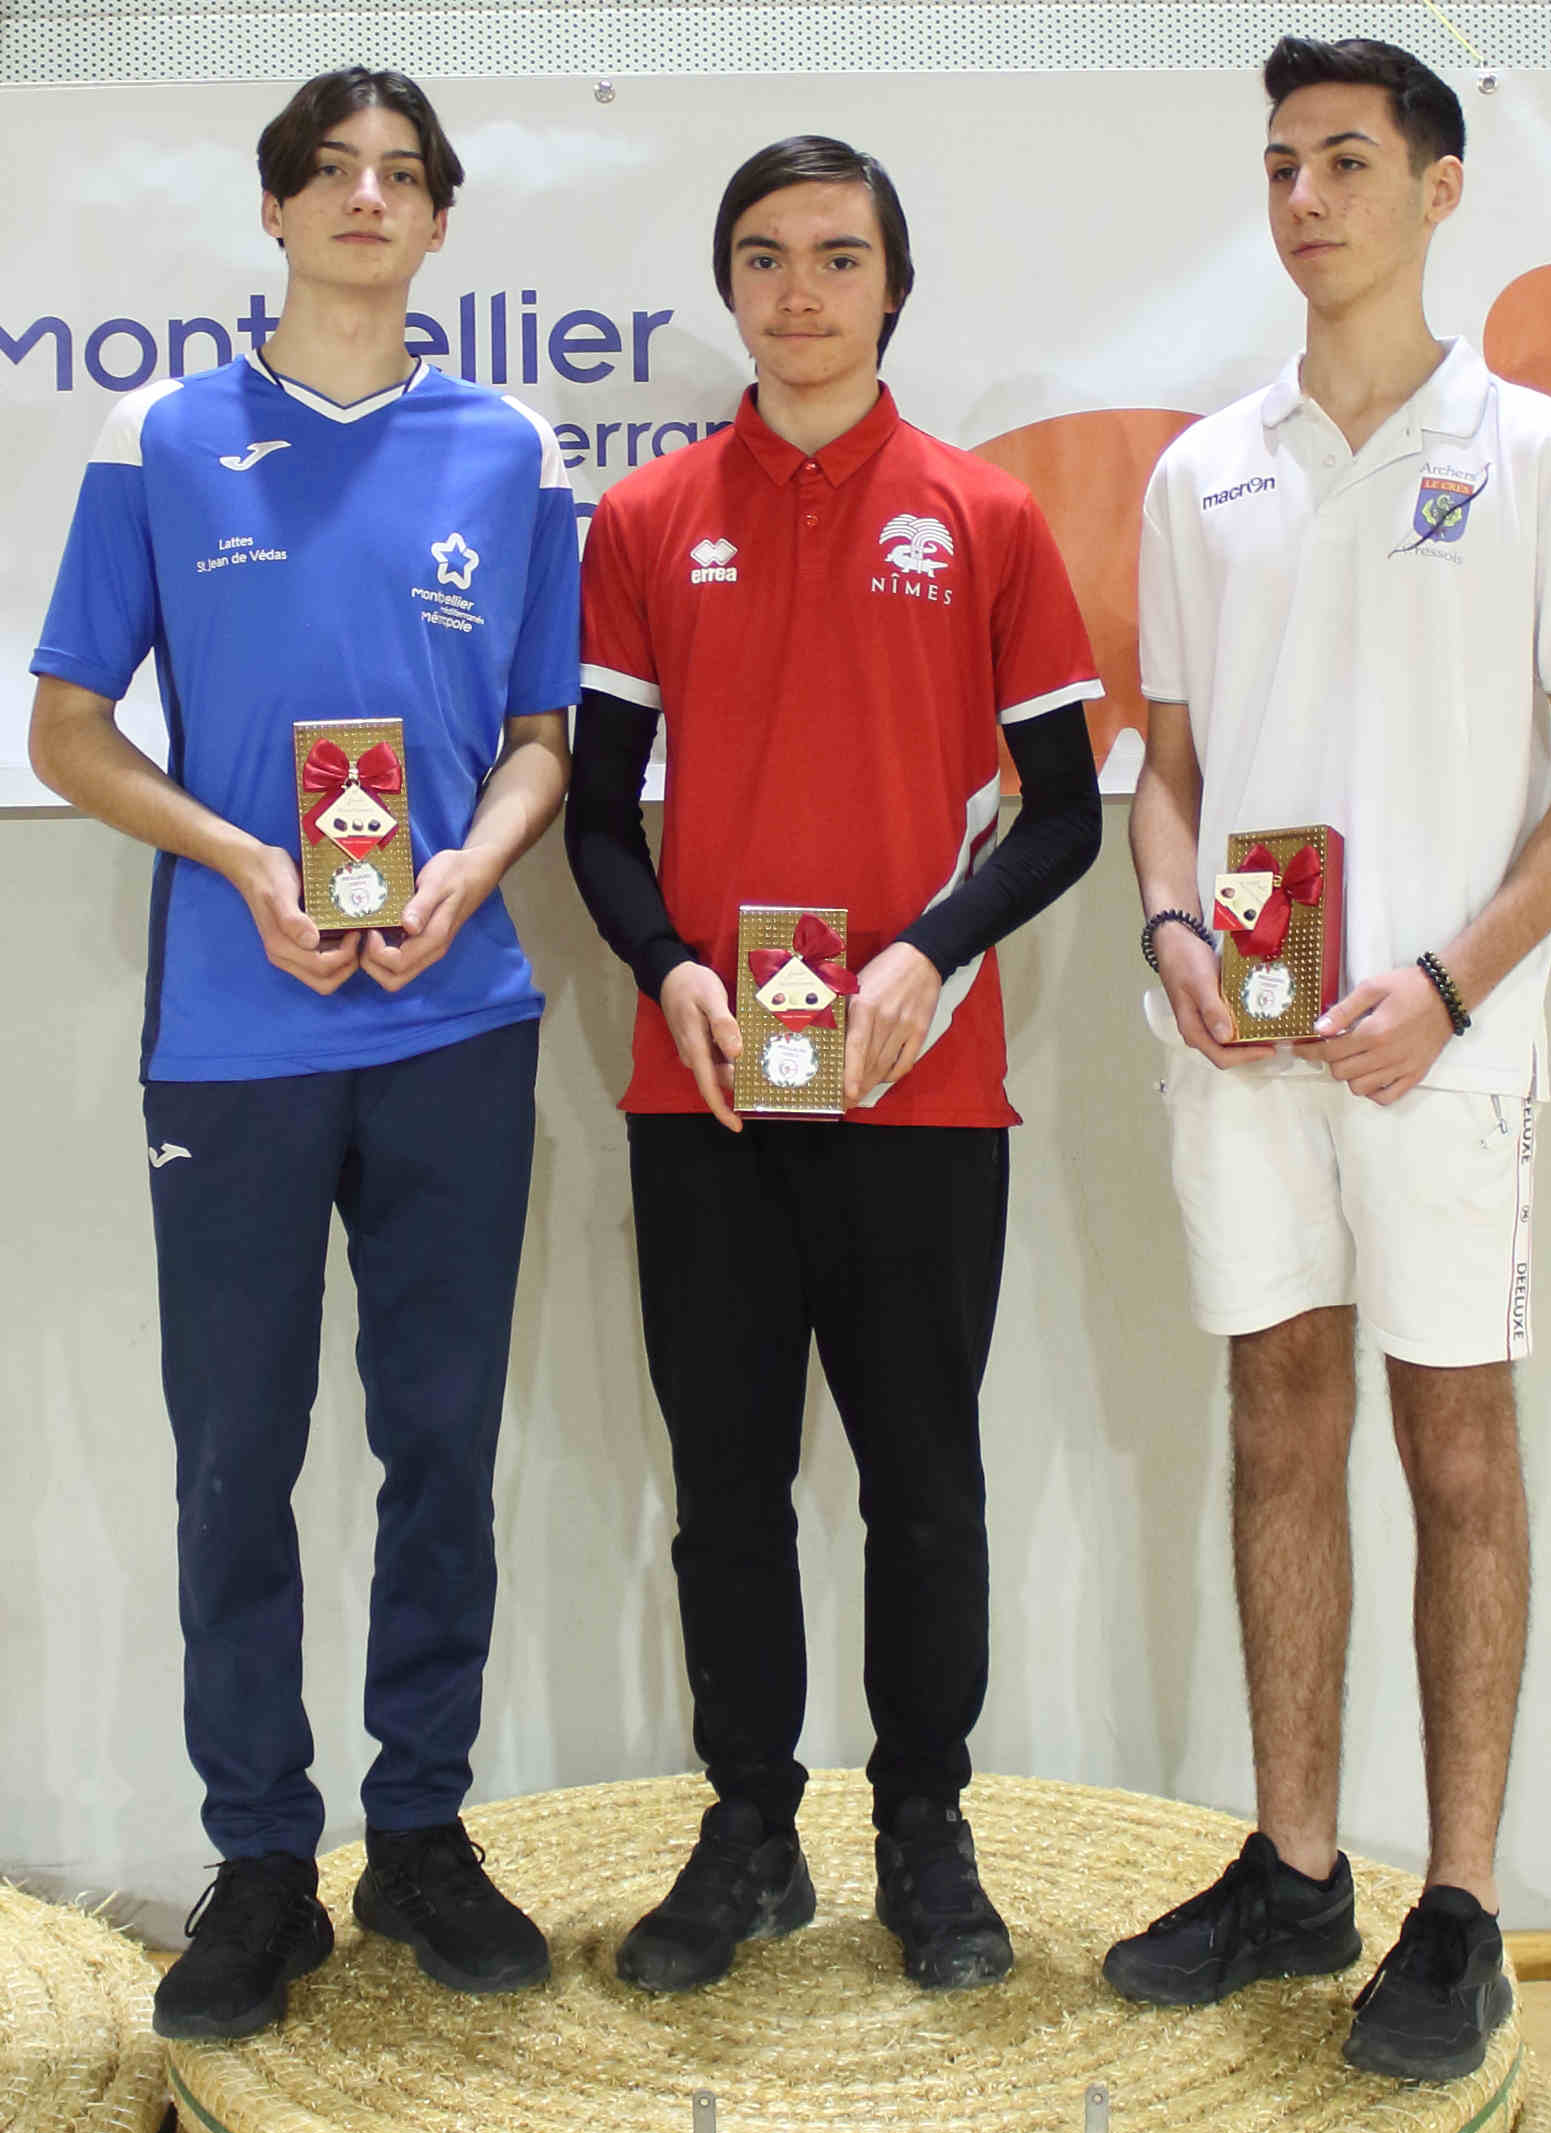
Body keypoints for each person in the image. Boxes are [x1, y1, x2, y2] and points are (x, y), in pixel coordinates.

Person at [1107, 35, 1551, 2080]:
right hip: (1243, 1051)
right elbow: (1166, 775)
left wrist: (1446, 980)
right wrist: (1172, 927)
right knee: (1276, 1421)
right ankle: (1296, 1866)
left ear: (1438, 188)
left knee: (1457, 1452)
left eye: (1345, 158)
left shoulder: (1537, 457)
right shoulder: (1201, 473)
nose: (1306, 197)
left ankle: (1464, 1906)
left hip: (1445, 1050)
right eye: (1280, 164)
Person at [28, 68, 578, 2039]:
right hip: (234, 1032)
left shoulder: (511, 447)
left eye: (400, 175)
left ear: (438, 221)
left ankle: (418, 1830)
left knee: (438, 1446)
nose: (365, 198)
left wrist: (472, 869)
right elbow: (68, 728)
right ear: (273, 211)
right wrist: (244, 855)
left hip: (455, 1020)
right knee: (235, 1456)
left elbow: (544, 737)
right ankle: (263, 1860)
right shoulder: (162, 436)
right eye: (329, 172)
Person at [565, 134, 1102, 1994]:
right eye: (765, 257)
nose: (800, 290)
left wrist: (927, 951)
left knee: (922, 1487)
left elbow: (1061, 815)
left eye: (838, 256)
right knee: (723, 1490)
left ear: (893, 285)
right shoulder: (642, 522)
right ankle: (747, 1829)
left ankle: (924, 1832)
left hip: (920, 1097)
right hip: (704, 1091)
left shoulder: (985, 515)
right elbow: (599, 820)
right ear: (729, 285)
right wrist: (665, 971)